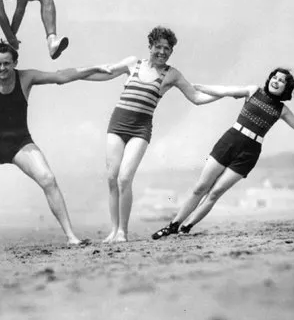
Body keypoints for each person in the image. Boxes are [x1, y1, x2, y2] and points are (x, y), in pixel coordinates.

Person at [0, 40, 111, 250]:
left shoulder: (26, 77)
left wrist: (92, 69)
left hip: (20, 144)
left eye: (7, 63)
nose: (2, 68)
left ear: (15, 63)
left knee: (48, 180)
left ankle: (71, 236)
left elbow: (61, 76)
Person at [83, 26, 220, 243]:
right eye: (158, 47)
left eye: (167, 49)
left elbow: (195, 97)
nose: (162, 52)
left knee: (125, 178)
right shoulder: (132, 64)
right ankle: (113, 229)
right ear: (150, 46)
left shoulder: (171, 74)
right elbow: (106, 73)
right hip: (117, 125)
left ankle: (122, 233)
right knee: (111, 178)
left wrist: (225, 95)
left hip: (140, 129)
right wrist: (76, 75)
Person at [152, 68, 294, 240]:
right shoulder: (253, 91)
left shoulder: (282, 110)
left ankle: (186, 227)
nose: (276, 81)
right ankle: (172, 226)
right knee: (200, 188)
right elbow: (225, 90)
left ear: (286, 88)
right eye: (275, 77)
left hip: (250, 152)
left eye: (282, 81)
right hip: (230, 141)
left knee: (215, 193)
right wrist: (197, 87)